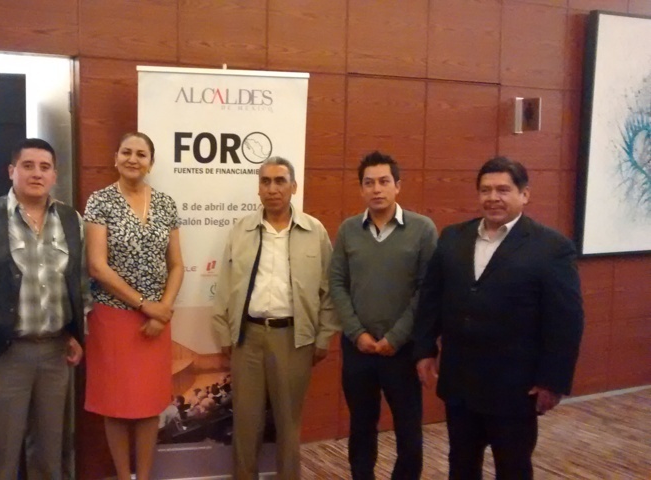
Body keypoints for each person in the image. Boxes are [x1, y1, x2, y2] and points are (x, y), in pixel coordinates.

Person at [412, 157, 584, 480]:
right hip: (461, 382)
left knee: (513, 468)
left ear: (524, 194)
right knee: (461, 465)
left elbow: (566, 321)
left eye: (503, 190)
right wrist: (424, 349)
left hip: (515, 388)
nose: (493, 197)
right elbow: (431, 298)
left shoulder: (551, 247)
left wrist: (553, 381)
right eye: (486, 190)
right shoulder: (453, 238)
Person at [212, 156, 338, 480]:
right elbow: (224, 286)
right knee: (245, 424)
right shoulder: (241, 230)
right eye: (265, 181)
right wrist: (224, 334)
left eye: (280, 181)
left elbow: (329, 290)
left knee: (288, 425)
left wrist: (323, 337)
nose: (272, 189)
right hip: (248, 338)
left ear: (293, 187)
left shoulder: (314, 231)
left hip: (293, 339)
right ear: (258, 188)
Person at [0, 138, 86, 480]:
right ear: (12, 171)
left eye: (45, 167)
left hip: (55, 353)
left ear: (54, 175)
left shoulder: (71, 219)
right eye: (28, 166)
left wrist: (75, 333)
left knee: (51, 452)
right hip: (4, 353)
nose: (37, 173)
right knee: (0, 453)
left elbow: (80, 282)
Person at [329, 151, 437, 480]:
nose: (376, 189)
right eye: (369, 183)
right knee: (361, 427)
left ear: (397, 186)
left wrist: (396, 336)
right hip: (358, 349)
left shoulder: (422, 229)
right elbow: (336, 283)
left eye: (384, 181)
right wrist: (356, 333)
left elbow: (428, 289)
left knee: (408, 430)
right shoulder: (349, 230)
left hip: (402, 351)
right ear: (361, 188)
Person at [83, 132, 184, 480]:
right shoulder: (100, 201)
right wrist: (145, 305)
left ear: (151, 163)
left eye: (141, 154)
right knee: (115, 406)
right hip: (113, 318)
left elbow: (177, 265)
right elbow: (97, 266)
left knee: (149, 405)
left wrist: (163, 309)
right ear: (115, 158)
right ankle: (123, 476)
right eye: (126, 152)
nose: (133, 159)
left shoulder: (166, 204)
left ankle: (144, 475)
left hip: (156, 322)